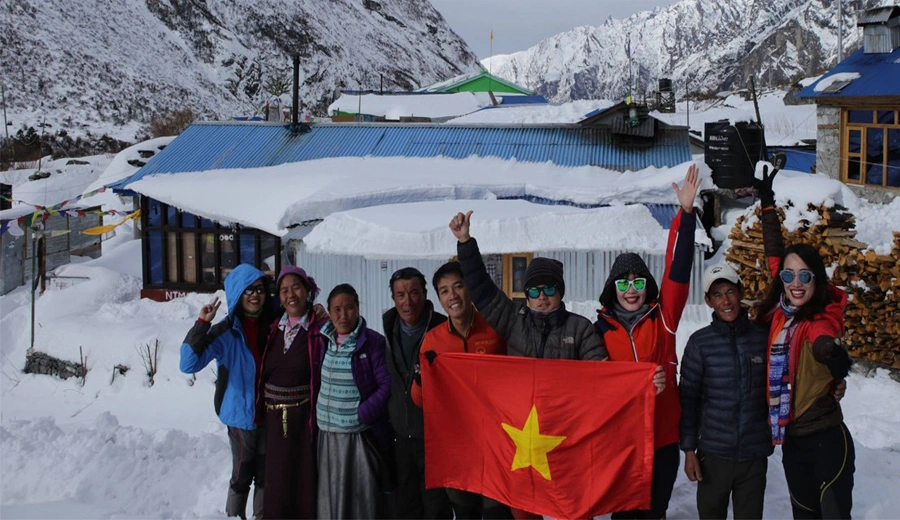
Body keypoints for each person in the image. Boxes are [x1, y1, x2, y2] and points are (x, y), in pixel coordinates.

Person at [450, 211, 664, 519]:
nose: (542, 297)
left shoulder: (579, 328)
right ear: (527, 295)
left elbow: (603, 377)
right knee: (524, 510)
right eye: (535, 291)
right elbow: (482, 291)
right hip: (524, 438)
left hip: (569, 440)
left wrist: (642, 385)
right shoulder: (513, 320)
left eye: (550, 289)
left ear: (560, 292)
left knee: (576, 508)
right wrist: (465, 243)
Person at [594, 163, 701, 519]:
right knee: (623, 514)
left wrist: (685, 216)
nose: (631, 290)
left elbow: (678, 269)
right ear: (612, 289)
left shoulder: (663, 319)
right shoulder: (598, 331)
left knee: (654, 513)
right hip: (620, 443)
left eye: (638, 282)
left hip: (662, 440)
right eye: (623, 283)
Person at [755, 166, 854, 519]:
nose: (795, 283)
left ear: (817, 280)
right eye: (788, 275)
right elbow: (773, 250)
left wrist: (832, 357)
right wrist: (766, 201)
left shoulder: (819, 316)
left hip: (827, 439)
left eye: (804, 276)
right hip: (793, 440)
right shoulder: (781, 309)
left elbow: (822, 339)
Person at [411, 261, 510, 520]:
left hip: (496, 444)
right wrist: (422, 377)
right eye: (444, 291)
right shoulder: (433, 340)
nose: (452, 296)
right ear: (440, 299)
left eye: (458, 286)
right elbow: (420, 400)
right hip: (457, 447)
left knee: (496, 513)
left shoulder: (494, 330)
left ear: (469, 289)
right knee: (465, 512)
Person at [679, 263, 773, 519]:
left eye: (730, 291)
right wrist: (689, 450)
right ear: (709, 301)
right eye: (718, 295)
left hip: (754, 455)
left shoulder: (762, 338)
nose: (726, 301)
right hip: (713, 455)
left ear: (741, 292)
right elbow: (687, 399)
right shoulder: (700, 343)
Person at [180, 263, 272, 519]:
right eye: (248, 290)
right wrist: (201, 324)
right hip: (241, 418)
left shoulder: (275, 324)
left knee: (267, 476)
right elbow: (188, 364)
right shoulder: (225, 332)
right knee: (242, 476)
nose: (255, 295)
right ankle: (233, 517)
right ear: (237, 294)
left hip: (270, 415)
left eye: (260, 289)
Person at [316, 283, 392, 519]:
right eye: (336, 309)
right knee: (331, 497)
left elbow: (387, 385)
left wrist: (362, 414)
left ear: (358, 308)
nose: (343, 315)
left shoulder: (372, 342)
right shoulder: (323, 339)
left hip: (356, 436)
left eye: (349, 308)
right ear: (329, 312)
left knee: (359, 499)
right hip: (327, 435)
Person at [257, 265, 328, 519]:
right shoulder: (275, 328)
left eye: (296, 287)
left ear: (308, 290)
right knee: (276, 481)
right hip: (274, 422)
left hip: (303, 421)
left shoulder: (320, 329)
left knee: (302, 480)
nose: (291, 295)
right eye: (284, 290)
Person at [382, 266, 453, 519]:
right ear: (393, 299)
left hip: (435, 440)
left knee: (436, 508)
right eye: (400, 295)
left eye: (413, 293)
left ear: (424, 294)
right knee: (407, 507)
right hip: (402, 436)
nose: (407, 301)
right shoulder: (389, 330)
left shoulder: (444, 330)